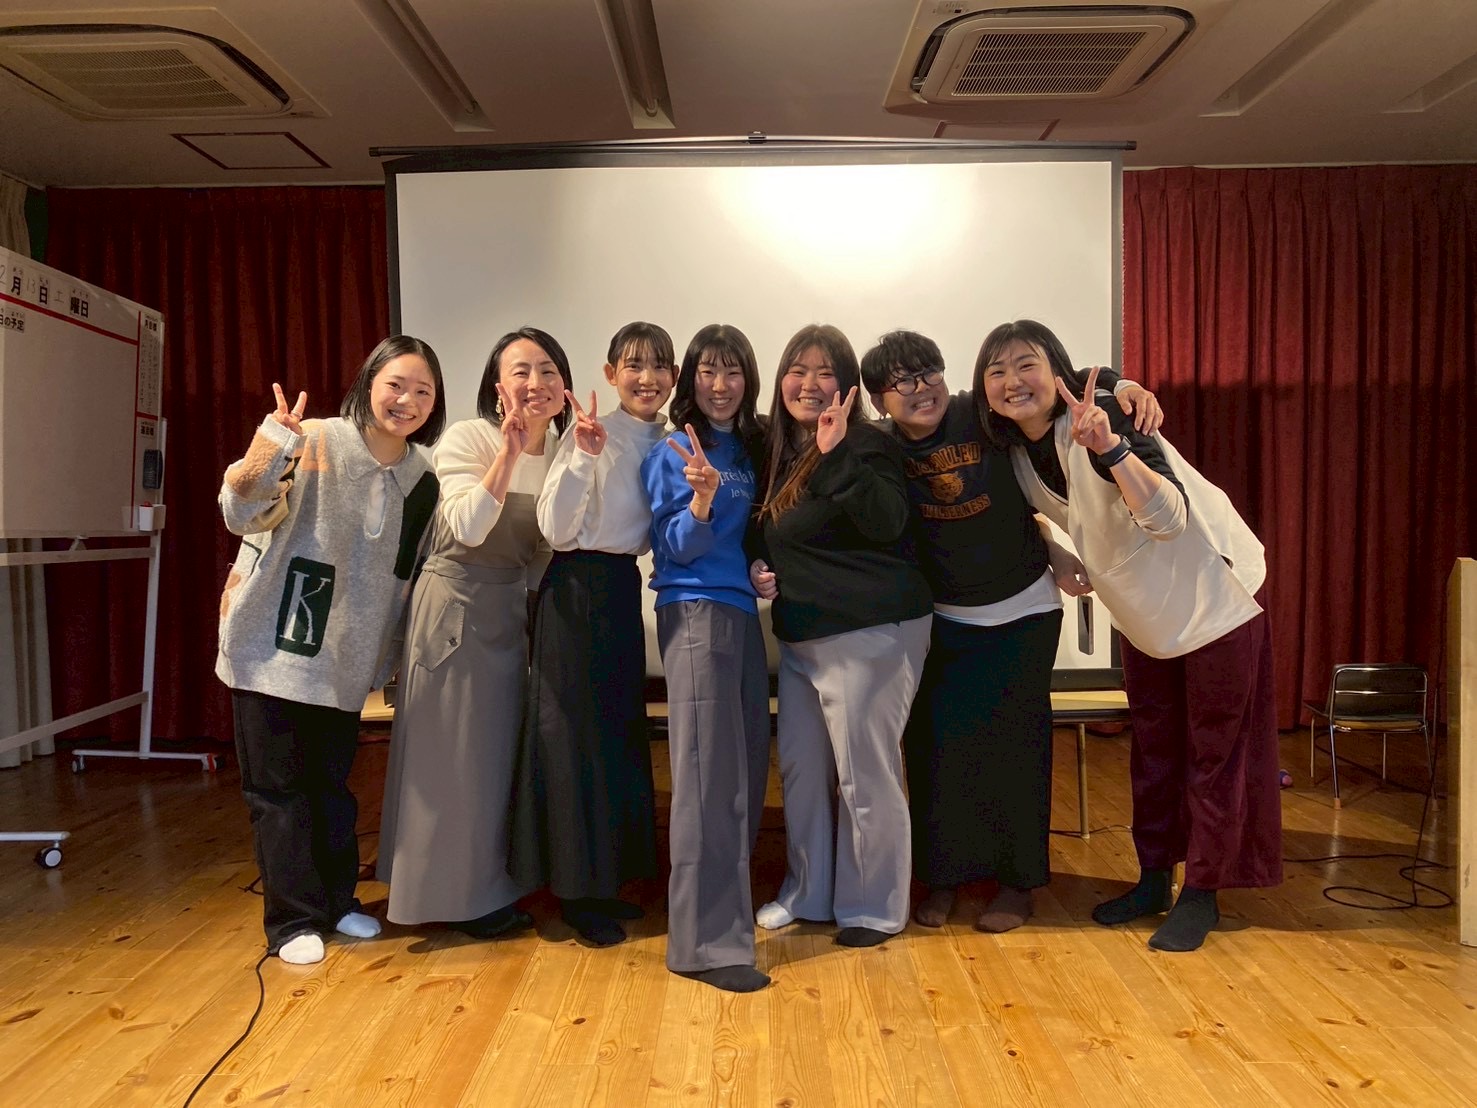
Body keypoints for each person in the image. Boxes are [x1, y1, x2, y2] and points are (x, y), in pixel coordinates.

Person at [977, 319, 1281, 952]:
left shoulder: (1105, 415)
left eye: (1026, 364)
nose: (1011, 382)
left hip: (1213, 596)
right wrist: (1053, 549)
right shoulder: (1014, 453)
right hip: (1143, 616)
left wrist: (1111, 447)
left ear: (1056, 371)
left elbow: (1169, 520)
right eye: (996, 370)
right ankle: (1153, 879)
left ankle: (1202, 893)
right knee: (1155, 751)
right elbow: (1038, 515)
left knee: (1213, 754)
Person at [859, 330, 1159, 932]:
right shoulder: (880, 447)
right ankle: (943, 878)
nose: (922, 389)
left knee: (1017, 752)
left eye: (929, 372)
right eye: (902, 382)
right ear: (879, 400)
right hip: (941, 618)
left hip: (1023, 609)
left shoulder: (981, 412)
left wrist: (1124, 384)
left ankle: (1017, 884)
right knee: (937, 754)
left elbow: (1059, 382)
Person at [216, 336, 445, 964]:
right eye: (395, 384)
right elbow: (239, 512)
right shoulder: (312, 438)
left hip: (345, 657)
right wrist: (271, 447)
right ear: (368, 383)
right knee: (278, 792)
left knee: (332, 789)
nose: (406, 400)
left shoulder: (423, 479)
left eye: (422, 391)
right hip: (269, 647)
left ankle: (339, 902)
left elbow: (404, 577)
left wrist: (388, 659)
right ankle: (292, 922)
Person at [378, 328, 571, 940]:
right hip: (455, 605)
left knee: (495, 758)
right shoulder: (470, 437)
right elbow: (466, 526)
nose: (535, 383)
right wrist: (508, 454)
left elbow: (548, 549)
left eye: (547, 370)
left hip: (510, 611)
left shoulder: (565, 449)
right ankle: (445, 896)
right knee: (451, 757)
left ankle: (490, 887)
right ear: (497, 385)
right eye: (521, 372)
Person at [748, 324, 932, 948]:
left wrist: (837, 454)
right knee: (803, 774)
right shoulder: (778, 450)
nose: (809, 383)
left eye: (825, 372)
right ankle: (807, 892)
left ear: (848, 386)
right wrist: (756, 565)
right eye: (798, 370)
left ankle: (874, 907)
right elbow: (771, 533)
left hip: (869, 633)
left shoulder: (868, 444)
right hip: (802, 640)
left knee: (864, 776)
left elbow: (887, 521)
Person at [509, 321, 674, 947]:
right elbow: (554, 528)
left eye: (659, 366)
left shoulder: (670, 438)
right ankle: (576, 894)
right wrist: (582, 454)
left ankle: (607, 882)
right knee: (571, 739)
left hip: (620, 589)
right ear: (610, 374)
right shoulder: (588, 432)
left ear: (673, 378)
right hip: (574, 586)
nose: (646, 378)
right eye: (633, 365)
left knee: (617, 735)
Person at [640, 323, 771, 992]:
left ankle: (726, 925)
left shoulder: (747, 448)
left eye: (733, 371)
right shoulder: (673, 449)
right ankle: (702, 946)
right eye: (708, 371)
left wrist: (757, 569)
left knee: (742, 773)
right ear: (689, 379)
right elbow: (676, 547)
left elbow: (744, 539)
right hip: (694, 612)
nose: (720, 386)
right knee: (706, 779)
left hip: (740, 614)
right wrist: (700, 498)